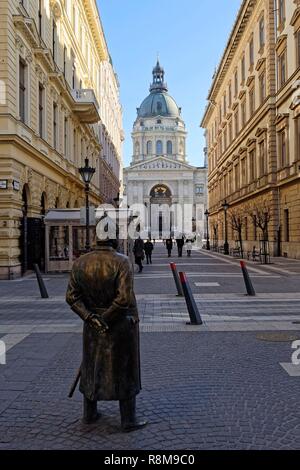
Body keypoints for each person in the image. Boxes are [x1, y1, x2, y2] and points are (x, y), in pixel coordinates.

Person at [66, 237, 147, 432]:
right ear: (114, 240)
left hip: (92, 324)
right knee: (125, 369)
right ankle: (128, 420)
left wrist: (91, 318)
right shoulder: (122, 261)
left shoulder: (80, 262)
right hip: (120, 325)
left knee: (91, 366)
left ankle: (89, 414)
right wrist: (105, 319)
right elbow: (123, 299)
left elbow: (71, 297)